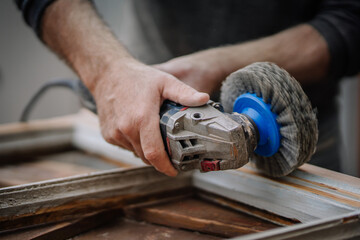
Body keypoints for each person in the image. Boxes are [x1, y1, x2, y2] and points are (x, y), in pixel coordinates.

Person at [16, 0, 360, 176]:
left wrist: (213, 66)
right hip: (135, 94)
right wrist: (107, 74)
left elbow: (351, 18)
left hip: (300, 130)